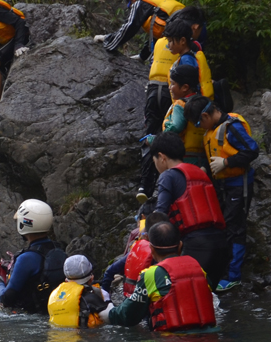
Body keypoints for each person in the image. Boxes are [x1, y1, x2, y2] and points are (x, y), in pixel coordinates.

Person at [134, 8, 210, 203]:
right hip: (193, 151)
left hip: (186, 148)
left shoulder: (186, 63)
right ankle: (150, 185)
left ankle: (148, 184)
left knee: (154, 134)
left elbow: (176, 127)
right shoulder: (189, 58)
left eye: (171, 42)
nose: (167, 46)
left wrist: (161, 135)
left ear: (182, 40)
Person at [185, 96, 260, 291]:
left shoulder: (232, 126)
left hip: (238, 183)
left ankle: (233, 276)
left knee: (235, 228)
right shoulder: (210, 131)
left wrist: (226, 163)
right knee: (223, 226)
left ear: (205, 115)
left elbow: (252, 151)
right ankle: (222, 272)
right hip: (223, 185)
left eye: (199, 122)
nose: (199, 127)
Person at [102, 221, 217, 333]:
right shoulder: (199, 268)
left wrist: (109, 312)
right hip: (209, 338)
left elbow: (129, 316)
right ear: (180, 245)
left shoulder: (150, 275)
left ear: (151, 249)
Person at [150, 132, 230, 289]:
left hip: (196, 245)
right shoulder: (200, 172)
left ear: (162, 157)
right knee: (208, 296)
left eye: (154, 161)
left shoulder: (168, 175)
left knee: (186, 295)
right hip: (221, 245)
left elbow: (160, 215)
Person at [0, 199, 67, 314]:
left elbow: (6, 298)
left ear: (24, 224)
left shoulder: (26, 259)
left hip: (32, 317)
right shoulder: (60, 251)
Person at [99, 211, 168, 297]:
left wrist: (105, 297)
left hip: (134, 298)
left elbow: (110, 271)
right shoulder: (174, 252)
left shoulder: (137, 251)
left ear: (147, 235)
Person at [47, 255, 112, 328]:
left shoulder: (54, 295)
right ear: (91, 278)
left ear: (66, 280)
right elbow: (112, 316)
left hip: (57, 337)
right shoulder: (92, 298)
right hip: (86, 336)